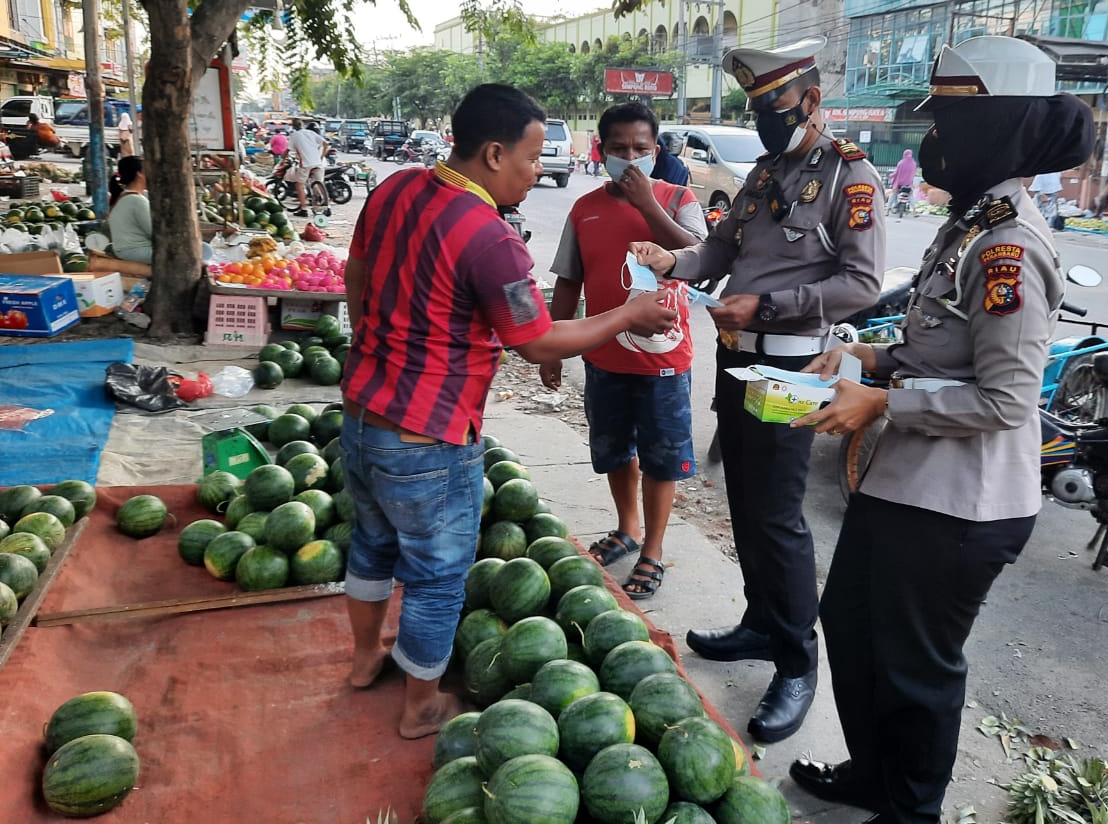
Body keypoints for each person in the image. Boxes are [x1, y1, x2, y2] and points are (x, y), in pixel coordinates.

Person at [786, 35, 1095, 824]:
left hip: (965, 506)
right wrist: (870, 355)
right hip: (910, 481)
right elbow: (940, 346)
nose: (933, 142)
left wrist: (882, 404)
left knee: (916, 666)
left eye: (950, 124)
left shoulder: (1008, 247)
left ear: (1002, 129)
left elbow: (1007, 402)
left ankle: (911, 809)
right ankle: (873, 774)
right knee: (852, 626)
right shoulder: (971, 223)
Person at [340, 83, 676, 740]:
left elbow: (355, 274)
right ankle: (419, 707)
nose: (535, 169)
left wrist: (373, 348)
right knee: (437, 576)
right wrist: (629, 314)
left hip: (360, 414)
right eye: (529, 157)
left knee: (372, 546)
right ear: (493, 154)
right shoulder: (489, 237)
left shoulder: (394, 189)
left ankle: (361, 663)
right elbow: (537, 339)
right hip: (429, 436)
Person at [631, 37, 886, 744]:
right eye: (756, 110)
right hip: (741, 363)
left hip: (792, 371)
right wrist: (673, 259)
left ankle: (798, 660)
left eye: (775, 108)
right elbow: (725, 250)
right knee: (744, 504)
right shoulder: (767, 173)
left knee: (778, 517)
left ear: (809, 102)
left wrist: (767, 308)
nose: (767, 121)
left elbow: (861, 284)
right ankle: (758, 623)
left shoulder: (849, 177)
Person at [540, 103, 707, 600]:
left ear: (657, 151)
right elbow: (568, 280)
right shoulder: (584, 208)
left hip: (663, 361)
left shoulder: (679, 198)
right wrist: (553, 348)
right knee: (615, 449)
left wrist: (647, 204)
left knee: (662, 457)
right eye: (618, 149)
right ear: (601, 151)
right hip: (603, 355)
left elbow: (697, 259)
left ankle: (653, 549)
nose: (630, 158)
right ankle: (627, 528)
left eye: (641, 149)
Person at [107, 156, 152, 264]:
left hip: (125, 250)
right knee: (196, 250)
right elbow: (154, 232)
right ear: (139, 174)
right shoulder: (136, 200)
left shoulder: (123, 196)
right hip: (136, 251)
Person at [287, 118, 329, 216]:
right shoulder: (311, 133)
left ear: (293, 126)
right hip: (318, 162)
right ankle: (327, 207)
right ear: (302, 125)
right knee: (320, 184)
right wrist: (321, 156)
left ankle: (304, 209)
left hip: (305, 163)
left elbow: (288, 150)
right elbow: (326, 144)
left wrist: (283, 158)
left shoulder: (294, 135)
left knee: (299, 184)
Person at [889, 148, 917, 217]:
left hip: (899, 184)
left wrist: (891, 176)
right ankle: (914, 211)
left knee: (894, 194)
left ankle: (887, 209)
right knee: (910, 196)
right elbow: (913, 174)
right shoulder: (914, 164)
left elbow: (896, 172)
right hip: (908, 184)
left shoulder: (901, 163)